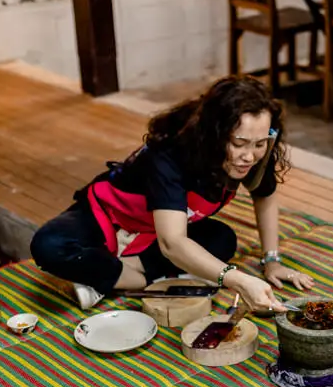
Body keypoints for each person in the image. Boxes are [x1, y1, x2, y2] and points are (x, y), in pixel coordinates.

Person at [31, 76, 314, 312]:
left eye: (260, 144)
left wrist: (272, 261)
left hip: (158, 231)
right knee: (50, 245)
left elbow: (264, 195)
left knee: (222, 240)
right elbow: (172, 243)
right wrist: (237, 280)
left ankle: (102, 277)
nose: (249, 156)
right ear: (214, 133)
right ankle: (134, 278)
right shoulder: (169, 154)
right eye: (238, 143)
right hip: (110, 215)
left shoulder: (254, 152)